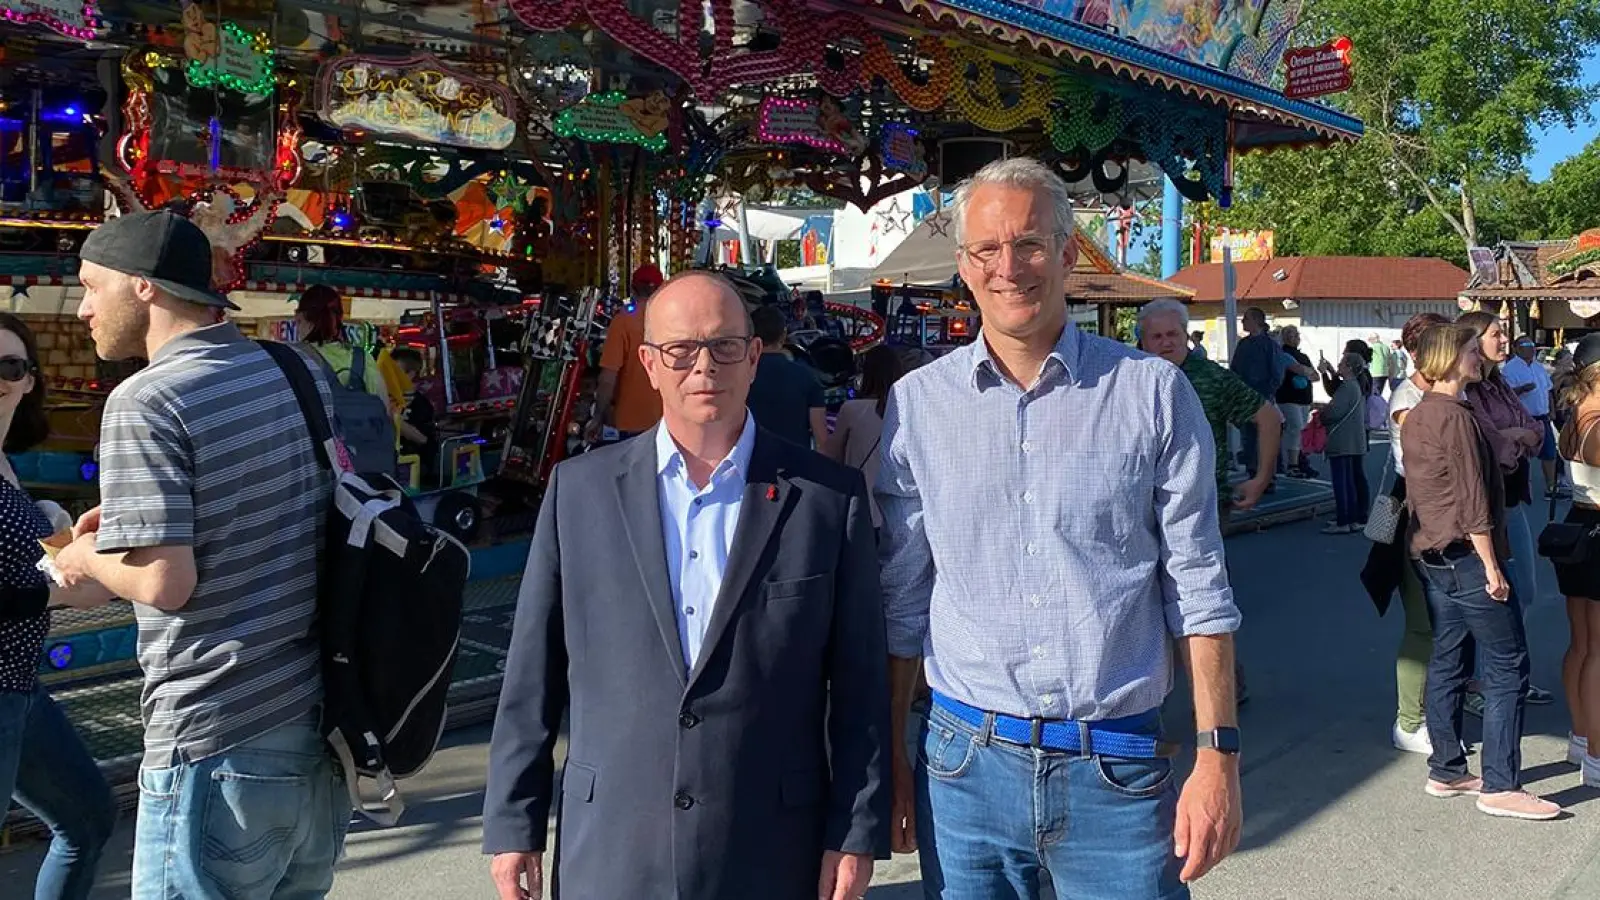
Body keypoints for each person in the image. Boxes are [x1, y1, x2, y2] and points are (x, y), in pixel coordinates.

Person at [879, 158, 1240, 898]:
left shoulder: (1152, 394)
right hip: (963, 765)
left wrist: (1218, 757)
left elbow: (1198, 587)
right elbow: (902, 599)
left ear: (1068, 253)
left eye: (1029, 244)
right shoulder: (918, 405)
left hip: (1116, 766)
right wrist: (888, 754)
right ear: (964, 265)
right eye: (987, 249)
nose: (1008, 267)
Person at [482, 271, 890, 900]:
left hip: (771, 846)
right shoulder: (578, 492)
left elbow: (860, 682)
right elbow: (532, 674)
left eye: (724, 345)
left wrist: (856, 830)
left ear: (753, 357)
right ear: (648, 363)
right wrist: (514, 822)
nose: (704, 366)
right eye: (680, 350)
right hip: (613, 844)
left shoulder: (826, 499)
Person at [53, 211, 352, 896]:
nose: (82, 309)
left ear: (144, 286)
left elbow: (166, 581)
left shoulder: (146, 400)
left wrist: (87, 554)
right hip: (316, 731)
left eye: (92, 286)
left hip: (214, 736)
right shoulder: (294, 370)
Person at [1402, 323, 1559, 821]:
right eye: (1472, 349)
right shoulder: (1455, 417)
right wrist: (1493, 566)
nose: (1479, 357)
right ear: (1450, 357)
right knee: (1507, 665)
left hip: (1433, 555)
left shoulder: (1420, 414)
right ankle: (1501, 783)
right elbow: (1472, 500)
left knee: (1449, 659)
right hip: (1467, 557)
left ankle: (1447, 767)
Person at [0, 313, 118, 900]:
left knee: (88, 819)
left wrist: (61, 538)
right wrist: (58, 591)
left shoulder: (6, 464)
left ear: (28, 381)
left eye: (9, 366)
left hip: (20, 687)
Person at [1458, 311, 1554, 707]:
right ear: (1473, 341)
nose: (1505, 340)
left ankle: (1509, 676)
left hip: (1513, 502)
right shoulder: (1467, 391)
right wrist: (1515, 438)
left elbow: (1536, 429)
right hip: (1486, 507)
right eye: (1496, 334)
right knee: (1492, 595)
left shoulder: (1498, 384)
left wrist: (1517, 436)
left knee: (1524, 591)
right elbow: (1492, 446)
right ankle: (1484, 683)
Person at [1381, 313, 1450, 755]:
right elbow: (1430, 456)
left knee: (1447, 621)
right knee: (1422, 623)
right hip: (1415, 514)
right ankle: (1409, 720)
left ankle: (1440, 705)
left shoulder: (1444, 392)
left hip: (1441, 513)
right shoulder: (1408, 398)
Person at [1139, 300, 1278, 513]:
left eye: (1172, 334)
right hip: (1143, 505)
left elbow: (1269, 418)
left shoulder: (1212, 376)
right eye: (1157, 337)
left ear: (1185, 336)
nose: (1166, 342)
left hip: (1204, 505)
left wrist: (1261, 479)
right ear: (1143, 342)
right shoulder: (1131, 379)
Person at [1557, 333, 1600, 786]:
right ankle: (1596, 755)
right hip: (1596, 530)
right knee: (1596, 650)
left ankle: (1581, 738)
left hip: (1579, 527)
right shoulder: (1595, 422)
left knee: (1583, 644)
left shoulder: (1576, 414)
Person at [822, 344, 905, 532]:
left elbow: (831, 457)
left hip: (860, 508)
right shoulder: (908, 411)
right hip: (898, 513)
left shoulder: (853, 410)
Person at [585, 264, 665, 441]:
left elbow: (608, 377)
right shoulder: (671, 321)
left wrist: (597, 417)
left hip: (629, 423)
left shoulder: (623, 322)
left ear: (633, 289)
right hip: (666, 424)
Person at [295, 284, 393, 415]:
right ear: (340, 318)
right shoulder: (362, 359)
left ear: (299, 317)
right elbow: (384, 409)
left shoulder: (292, 358)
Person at [745, 304, 829, 449]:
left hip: (749, 459)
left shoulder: (737, 377)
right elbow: (821, 440)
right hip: (795, 460)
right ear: (784, 335)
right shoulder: (807, 376)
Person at [1502, 336, 1563, 499]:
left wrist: (1552, 410)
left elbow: (1548, 390)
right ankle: (1522, 488)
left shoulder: (1538, 367)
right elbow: (1506, 395)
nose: (1531, 348)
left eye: (1532, 344)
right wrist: (1522, 389)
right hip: (1523, 418)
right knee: (1522, 455)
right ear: (1516, 349)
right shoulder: (1509, 369)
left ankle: (1551, 488)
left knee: (1549, 453)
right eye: (1526, 344)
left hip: (1542, 417)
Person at [1229, 307, 1284, 483]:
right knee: (1249, 439)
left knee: (1265, 439)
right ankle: (1253, 473)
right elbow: (1234, 371)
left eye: (1246, 319)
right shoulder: (1243, 345)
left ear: (1256, 321)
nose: (1242, 322)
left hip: (1262, 398)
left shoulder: (1270, 345)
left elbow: (1277, 373)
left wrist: (1267, 395)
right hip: (1245, 398)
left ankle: (1268, 477)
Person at [1322, 352, 1371, 534]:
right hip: (1353, 440)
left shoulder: (1347, 387)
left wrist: (1322, 413)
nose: (1339, 365)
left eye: (1342, 363)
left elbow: (1335, 412)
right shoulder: (1355, 385)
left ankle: (1343, 520)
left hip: (1342, 439)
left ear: (1349, 367)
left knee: (1341, 482)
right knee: (1350, 481)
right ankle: (1352, 518)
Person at [390, 346, 437, 476]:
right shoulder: (383, 398)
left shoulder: (420, 404)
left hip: (413, 465)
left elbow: (423, 439)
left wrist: (393, 419)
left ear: (410, 374)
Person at [1276, 326, 1316, 478]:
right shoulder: (1282, 354)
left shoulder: (1303, 356)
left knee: (1299, 431)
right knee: (1295, 428)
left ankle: (1298, 462)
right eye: (1291, 335)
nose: (1295, 338)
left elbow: (1315, 375)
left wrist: (1307, 371)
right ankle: (1290, 464)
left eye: (1296, 335)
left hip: (1304, 398)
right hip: (1287, 397)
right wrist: (1306, 371)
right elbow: (1303, 371)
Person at [1368, 332, 1392, 396]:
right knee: (1379, 392)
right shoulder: (1386, 347)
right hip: (1385, 373)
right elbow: (1389, 359)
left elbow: (1369, 360)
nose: (1370, 341)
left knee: (1374, 393)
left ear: (1374, 339)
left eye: (1370, 339)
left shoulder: (1373, 348)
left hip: (1375, 373)